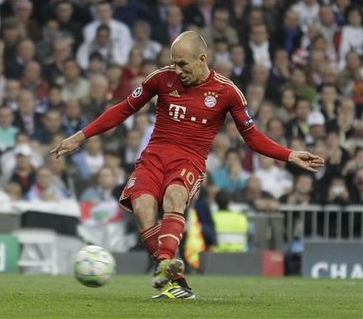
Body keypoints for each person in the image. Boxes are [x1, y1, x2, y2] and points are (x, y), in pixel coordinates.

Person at [50, 31, 325, 300]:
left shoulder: (227, 92)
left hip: (189, 159)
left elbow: (251, 137)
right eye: (173, 62)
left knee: (174, 197)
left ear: (202, 59)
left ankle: (163, 264)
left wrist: (289, 154)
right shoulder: (160, 79)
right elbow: (123, 109)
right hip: (154, 156)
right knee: (142, 206)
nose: (176, 69)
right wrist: (80, 136)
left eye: (182, 64)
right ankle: (176, 280)